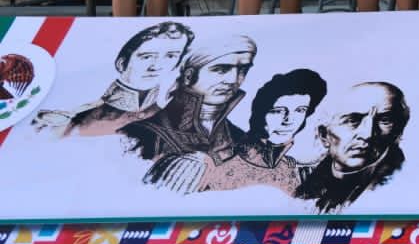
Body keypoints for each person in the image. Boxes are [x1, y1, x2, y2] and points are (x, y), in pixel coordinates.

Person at [123, 33, 256, 175]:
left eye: (243, 70)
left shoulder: (241, 140)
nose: (233, 80)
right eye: (221, 70)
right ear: (188, 76)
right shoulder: (136, 136)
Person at [35, 21, 192, 138]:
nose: (157, 66)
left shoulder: (175, 118)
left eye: (171, 56)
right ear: (122, 63)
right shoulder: (74, 120)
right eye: (147, 57)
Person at [196, 68, 328, 195]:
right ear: (260, 114)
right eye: (278, 111)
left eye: (300, 110)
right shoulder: (215, 163)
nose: (289, 120)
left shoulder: (292, 169)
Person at [293, 82, 410, 213]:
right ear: (324, 135)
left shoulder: (402, 186)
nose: (368, 134)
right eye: (353, 120)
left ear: (398, 131)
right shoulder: (302, 185)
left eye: (385, 120)